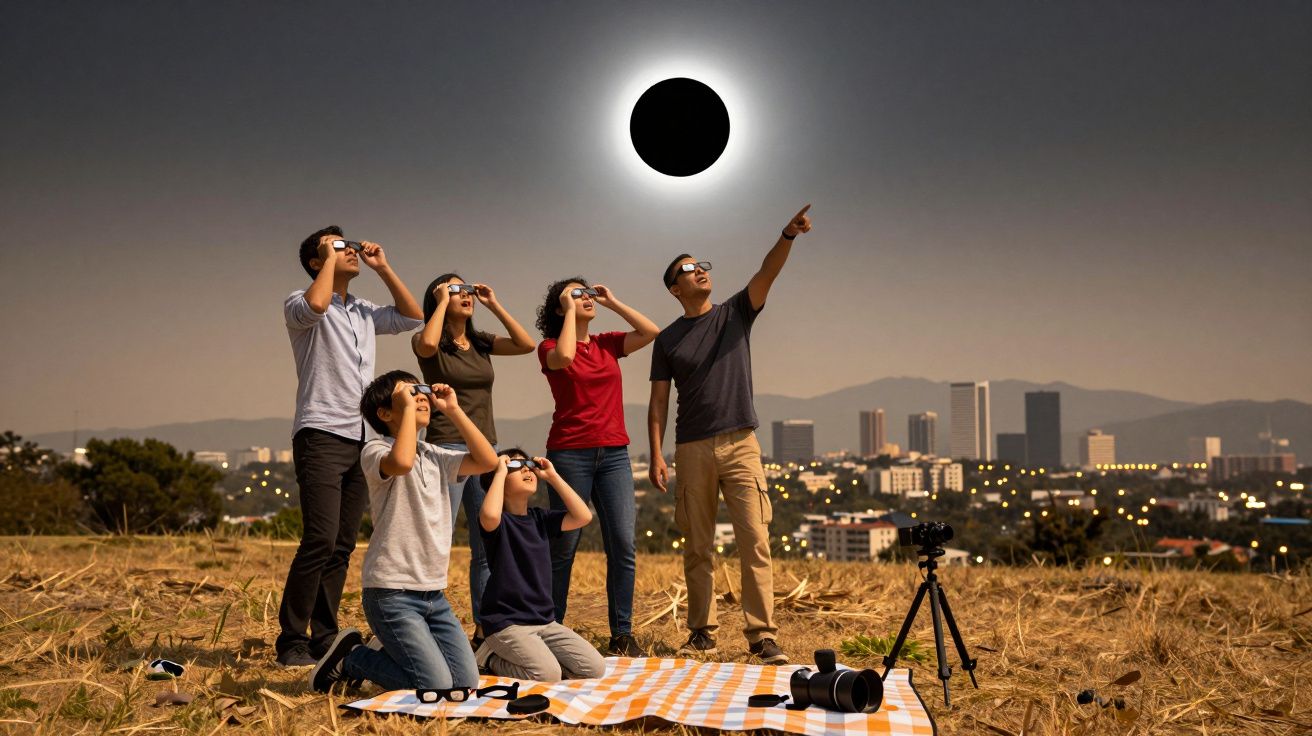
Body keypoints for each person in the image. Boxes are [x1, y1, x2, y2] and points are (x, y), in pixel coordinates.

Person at [647, 205, 814, 665]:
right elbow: (658, 401)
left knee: (754, 540)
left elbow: (767, 272)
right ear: (673, 288)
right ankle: (702, 632)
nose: (699, 271)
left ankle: (762, 636)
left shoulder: (736, 312)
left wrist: (787, 235)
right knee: (698, 545)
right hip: (692, 448)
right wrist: (656, 454)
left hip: (741, 443)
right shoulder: (667, 340)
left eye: (702, 266)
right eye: (688, 269)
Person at [277, 226, 422, 667]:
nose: (352, 250)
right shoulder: (299, 303)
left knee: (342, 543)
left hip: (363, 438)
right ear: (318, 260)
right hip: (321, 432)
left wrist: (383, 267)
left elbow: (412, 315)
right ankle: (291, 641)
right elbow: (318, 303)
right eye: (340, 247)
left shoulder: (363, 310)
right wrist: (326, 250)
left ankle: (325, 636)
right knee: (318, 538)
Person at [310, 370, 498, 693]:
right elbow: (402, 462)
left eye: (421, 392)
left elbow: (487, 460)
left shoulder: (436, 457)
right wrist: (410, 408)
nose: (420, 397)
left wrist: (453, 410)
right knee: (435, 686)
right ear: (385, 413)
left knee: (466, 682)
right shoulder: (375, 451)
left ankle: (391, 650)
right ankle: (352, 657)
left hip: (433, 596)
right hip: (390, 594)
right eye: (409, 394)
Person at [535, 278, 659, 657]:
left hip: (615, 455)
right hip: (570, 454)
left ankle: (621, 633)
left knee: (623, 543)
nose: (586, 298)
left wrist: (613, 301)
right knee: (564, 545)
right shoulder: (550, 347)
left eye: (587, 293)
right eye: (576, 294)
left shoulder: (606, 343)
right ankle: (550, 629)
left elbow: (650, 331)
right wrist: (571, 309)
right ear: (559, 308)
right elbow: (567, 359)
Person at [413, 273, 535, 645]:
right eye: (456, 290)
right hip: (447, 449)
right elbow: (428, 343)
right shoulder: (429, 341)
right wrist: (438, 302)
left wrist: (494, 304)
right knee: (439, 540)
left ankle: (485, 628)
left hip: (485, 451)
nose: (465, 295)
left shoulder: (480, 343)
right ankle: (429, 623)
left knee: (486, 544)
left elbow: (526, 344)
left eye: (467, 290)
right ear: (439, 297)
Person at [473, 449, 607, 681]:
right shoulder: (499, 522)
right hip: (507, 624)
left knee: (594, 668)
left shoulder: (541, 519)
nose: (526, 468)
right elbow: (489, 514)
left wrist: (552, 476)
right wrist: (499, 471)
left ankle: (536, 655)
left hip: (545, 621)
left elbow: (583, 516)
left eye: (527, 464)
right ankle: (487, 657)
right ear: (499, 479)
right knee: (547, 675)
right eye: (515, 467)